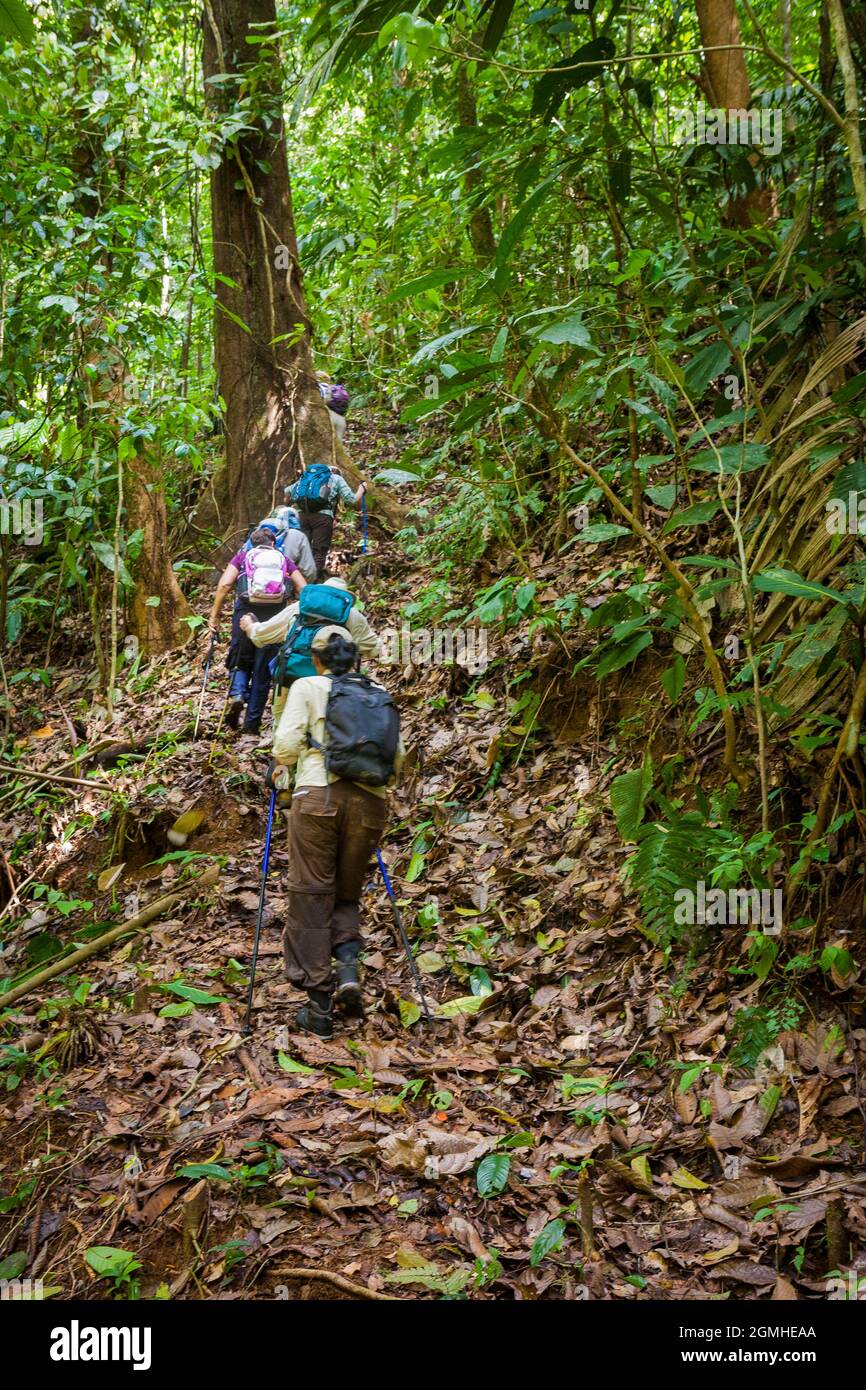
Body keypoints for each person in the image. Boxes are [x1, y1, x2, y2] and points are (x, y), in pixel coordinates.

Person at [267, 628, 404, 1038]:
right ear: (356, 658)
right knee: (346, 891)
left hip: (317, 797)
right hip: (369, 802)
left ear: (318, 658)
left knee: (311, 893)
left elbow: (285, 747)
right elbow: (396, 759)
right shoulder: (378, 690)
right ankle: (347, 969)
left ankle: (320, 1004)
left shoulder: (307, 685)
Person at [239, 575, 383, 724]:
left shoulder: (299, 607)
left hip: (290, 679)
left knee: (285, 726)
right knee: (326, 730)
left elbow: (262, 635)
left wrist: (250, 626)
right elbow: (375, 649)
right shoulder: (354, 616)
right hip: (334, 686)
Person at [208, 527, 306, 735]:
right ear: (274, 544)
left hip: (245, 611)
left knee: (240, 658)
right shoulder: (283, 559)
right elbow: (303, 588)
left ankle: (237, 694)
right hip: (275, 617)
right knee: (263, 670)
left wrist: (214, 616)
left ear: (252, 543)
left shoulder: (243, 557)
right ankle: (251, 726)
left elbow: (225, 584)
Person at [285, 466, 367, 580]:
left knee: (302, 549)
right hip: (322, 518)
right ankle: (311, 583)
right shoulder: (336, 478)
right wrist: (362, 489)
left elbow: (287, 490)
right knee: (319, 551)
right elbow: (351, 499)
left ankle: (295, 583)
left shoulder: (307, 478)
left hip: (302, 516)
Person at [269, 506, 317, 582]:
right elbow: (309, 570)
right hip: (284, 581)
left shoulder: (260, 532)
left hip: (256, 581)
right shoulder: (299, 535)